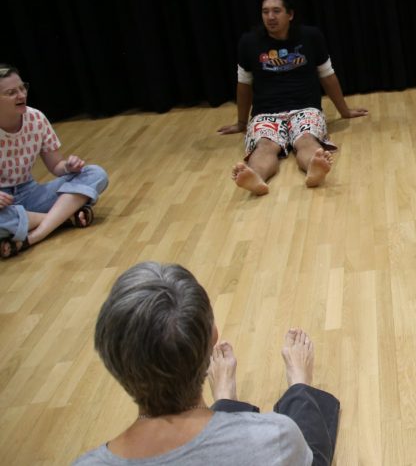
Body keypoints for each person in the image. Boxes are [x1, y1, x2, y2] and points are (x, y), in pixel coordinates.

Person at [74, 261, 340, 466]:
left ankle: (225, 400)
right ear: (213, 336)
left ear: (110, 359)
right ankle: (299, 387)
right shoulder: (275, 437)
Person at [217, 0, 368, 194]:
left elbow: (327, 75)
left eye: (276, 11)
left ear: (290, 14)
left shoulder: (310, 36)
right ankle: (256, 177)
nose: (270, 17)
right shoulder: (249, 42)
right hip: (266, 112)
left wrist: (345, 111)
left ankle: (314, 170)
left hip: (305, 108)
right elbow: (244, 85)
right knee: (265, 145)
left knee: (306, 139)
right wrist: (242, 123)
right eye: (265, 12)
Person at [0, 64, 109, 259]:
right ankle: (66, 218)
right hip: (2, 206)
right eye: (11, 92)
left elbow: (56, 166)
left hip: (29, 194)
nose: (21, 95)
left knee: (95, 173)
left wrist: (69, 166)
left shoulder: (36, 118)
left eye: (22, 88)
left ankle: (34, 235)